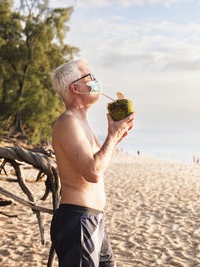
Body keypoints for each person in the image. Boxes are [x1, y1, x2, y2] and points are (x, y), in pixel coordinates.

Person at [50, 59, 135, 266]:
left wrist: (116, 137)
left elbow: (99, 164)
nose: (96, 80)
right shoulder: (68, 123)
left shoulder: (82, 122)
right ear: (76, 87)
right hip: (78, 220)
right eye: (90, 77)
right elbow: (93, 172)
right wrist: (113, 136)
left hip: (94, 219)